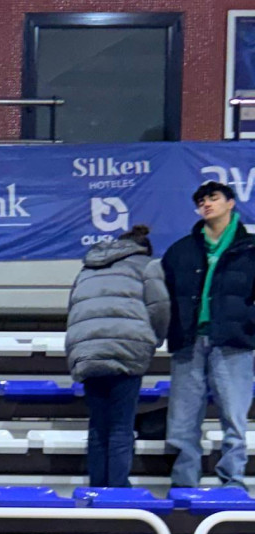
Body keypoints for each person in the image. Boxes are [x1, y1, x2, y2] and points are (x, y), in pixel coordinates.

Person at [161, 178, 253, 492]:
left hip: (234, 340)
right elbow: (165, 296)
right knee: (183, 416)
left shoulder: (251, 249)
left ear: (231, 203)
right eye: (201, 201)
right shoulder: (180, 251)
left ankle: (233, 480)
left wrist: (248, 323)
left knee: (234, 414)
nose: (206, 204)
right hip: (188, 340)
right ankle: (184, 482)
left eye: (213, 197)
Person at [66, 224, 170, 488]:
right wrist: (154, 340)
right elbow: (160, 308)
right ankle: (118, 490)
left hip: (88, 350)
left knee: (98, 426)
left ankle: (97, 490)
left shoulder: (87, 268)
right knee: (121, 427)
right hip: (127, 349)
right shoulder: (147, 266)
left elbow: (73, 310)